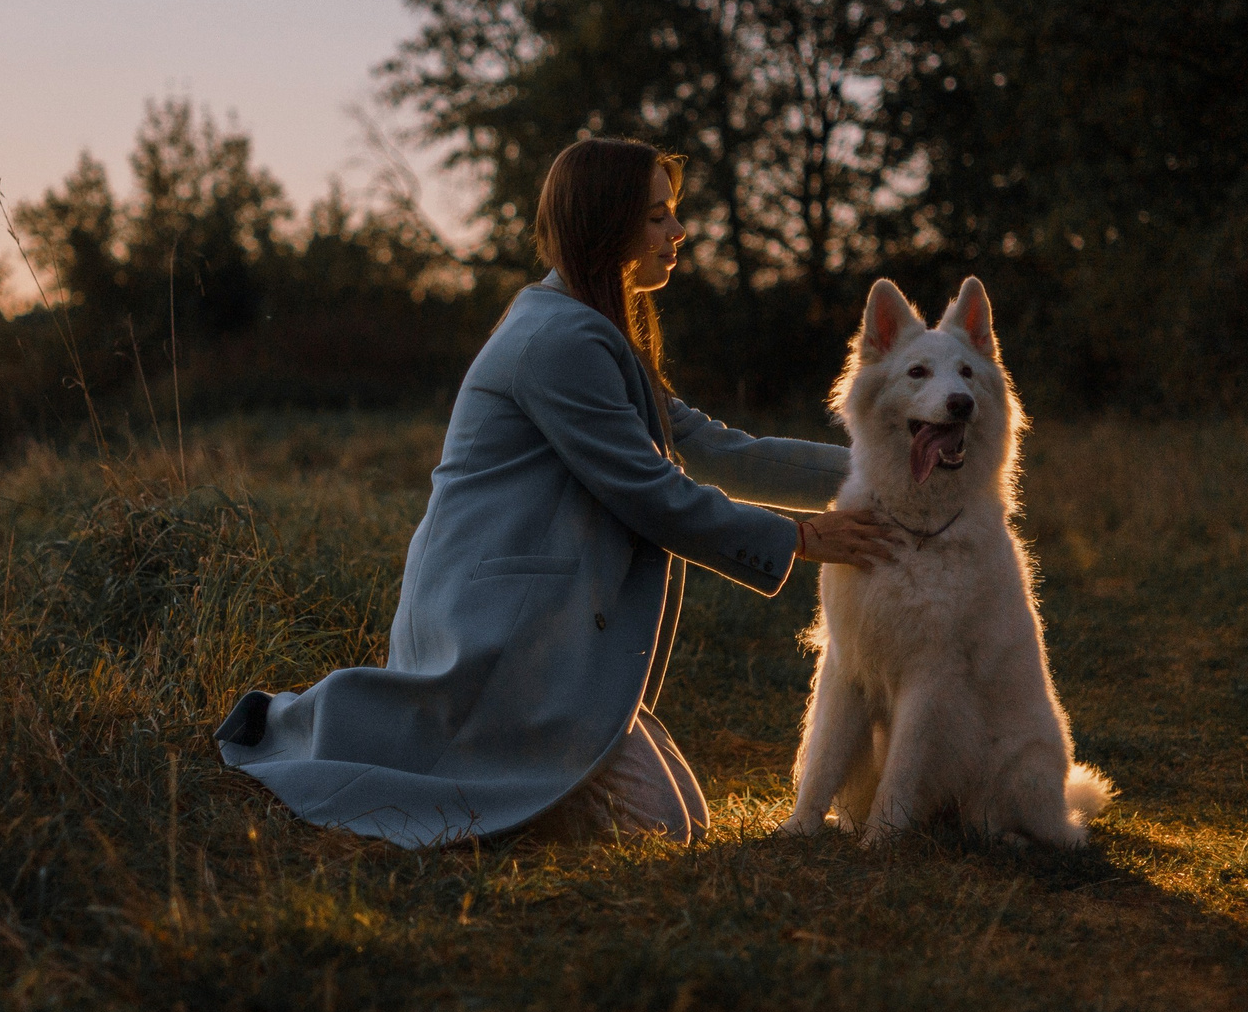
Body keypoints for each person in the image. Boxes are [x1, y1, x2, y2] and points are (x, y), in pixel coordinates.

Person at [214, 137, 901, 848]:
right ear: (606, 225)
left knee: (686, 821)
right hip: (497, 638)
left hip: (546, 634)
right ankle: (409, 755)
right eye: (659, 217)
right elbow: (653, 495)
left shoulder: (593, 326)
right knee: (664, 829)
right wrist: (802, 536)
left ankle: (526, 774)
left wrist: (889, 460)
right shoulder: (559, 342)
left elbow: (719, 449)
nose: (678, 232)